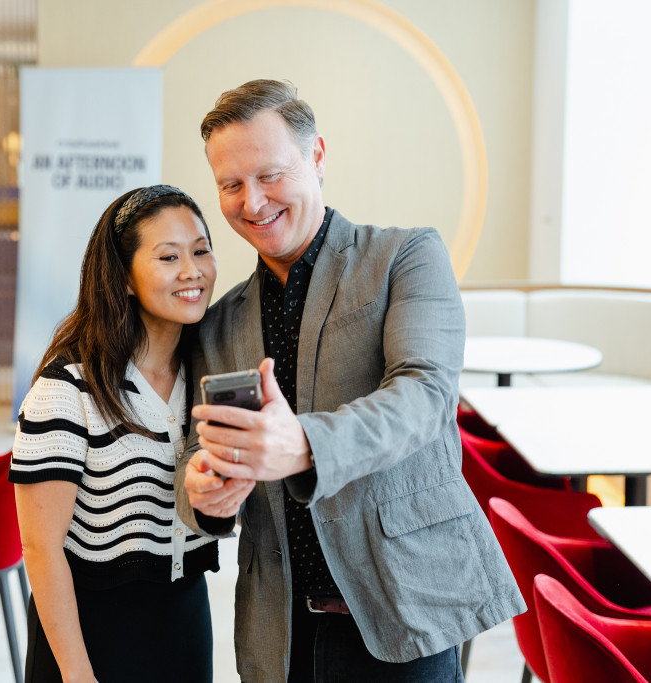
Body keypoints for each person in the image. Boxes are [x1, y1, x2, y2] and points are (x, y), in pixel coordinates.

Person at [176, 80, 526, 682]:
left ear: (316, 157)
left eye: (270, 175)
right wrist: (201, 493)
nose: (252, 202)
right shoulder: (219, 320)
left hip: (401, 613)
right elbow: (198, 446)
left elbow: (425, 394)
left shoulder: (405, 257)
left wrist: (303, 444)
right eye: (231, 185)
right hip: (278, 629)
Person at [11, 185, 227, 683]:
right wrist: (77, 674)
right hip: (90, 631)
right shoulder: (68, 387)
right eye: (168, 257)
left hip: (184, 618)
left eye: (201, 250)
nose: (192, 271)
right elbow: (41, 548)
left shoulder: (211, 373)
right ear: (124, 278)